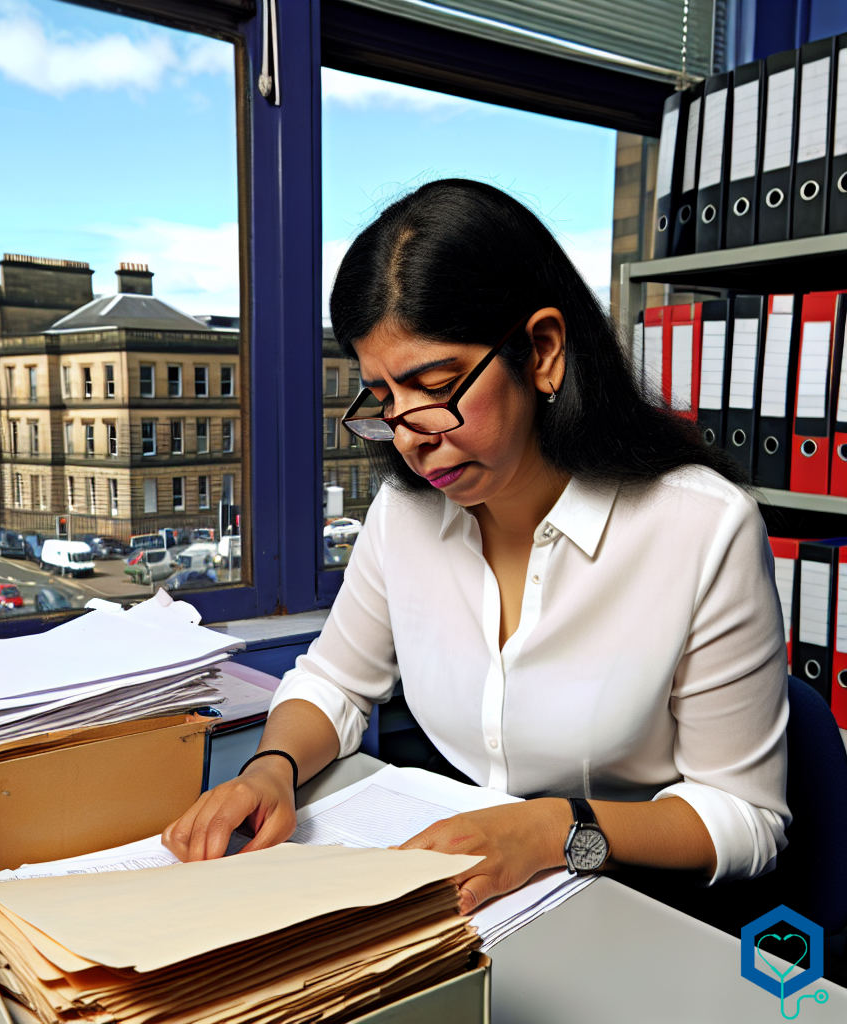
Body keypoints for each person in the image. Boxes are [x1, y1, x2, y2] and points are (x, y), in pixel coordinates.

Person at [164, 179, 789, 916]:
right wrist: (271, 769)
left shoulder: (701, 527)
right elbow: (333, 681)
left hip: (627, 892)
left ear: (544, 352)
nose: (409, 433)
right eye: (385, 399)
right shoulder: (406, 512)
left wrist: (555, 831)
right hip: (459, 880)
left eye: (434, 384)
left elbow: (746, 819)